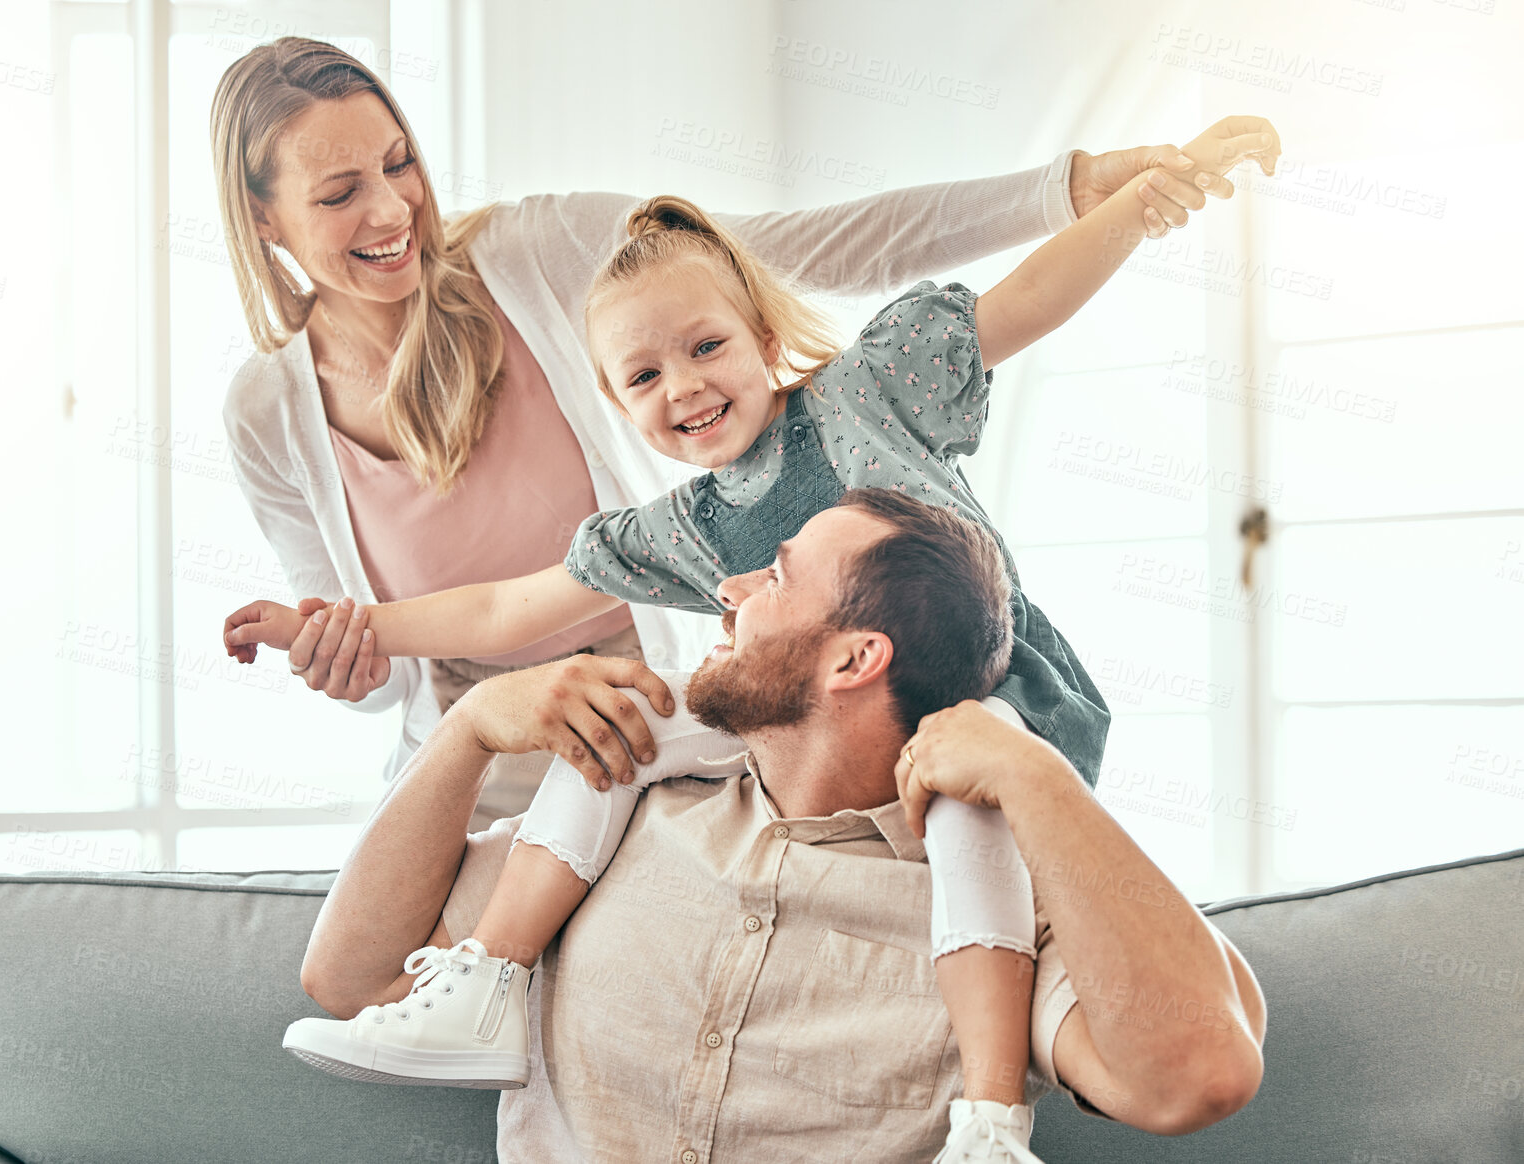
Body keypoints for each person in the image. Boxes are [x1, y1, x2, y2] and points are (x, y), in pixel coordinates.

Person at [229, 115, 1262, 1159]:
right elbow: (505, 612)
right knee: (623, 722)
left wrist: (1127, 206)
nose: (680, 387)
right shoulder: (691, 534)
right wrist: (376, 642)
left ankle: (987, 1120)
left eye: (707, 347)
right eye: (641, 378)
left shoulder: (868, 396)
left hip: (986, 696)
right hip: (790, 739)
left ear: (766, 340)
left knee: (970, 834)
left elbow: (1016, 307)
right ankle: (488, 979)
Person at [212, 36, 1280, 822]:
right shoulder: (270, 416)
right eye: (341, 192)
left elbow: (824, 253)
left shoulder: (557, 259)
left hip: (668, 708)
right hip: (495, 753)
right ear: (262, 219)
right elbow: (462, 627)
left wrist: (1085, 193)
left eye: (399, 164)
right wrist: (348, 655)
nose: (393, 210)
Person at [288, 496, 1268, 1162]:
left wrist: (1038, 777)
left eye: (776, 577)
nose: (730, 592)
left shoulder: (1002, 914)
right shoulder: (620, 813)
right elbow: (352, 978)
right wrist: (463, 732)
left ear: (854, 660)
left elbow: (1198, 1076)